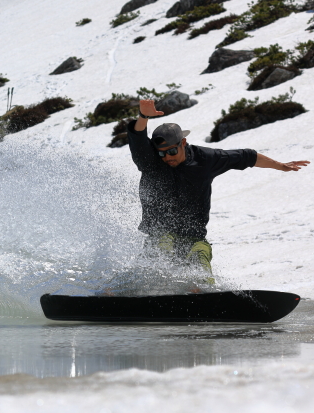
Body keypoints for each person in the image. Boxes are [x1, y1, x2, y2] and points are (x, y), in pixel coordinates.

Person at [127, 99, 309, 283]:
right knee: (161, 250)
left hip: (194, 236)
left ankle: (202, 294)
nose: (167, 157)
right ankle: (119, 291)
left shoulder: (205, 159)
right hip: (160, 234)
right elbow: (137, 138)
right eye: (161, 153)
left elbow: (246, 156)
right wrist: (143, 117)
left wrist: (280, 165)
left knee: (200, 258)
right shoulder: (150, 162)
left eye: (172, 151)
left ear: (183, 142)